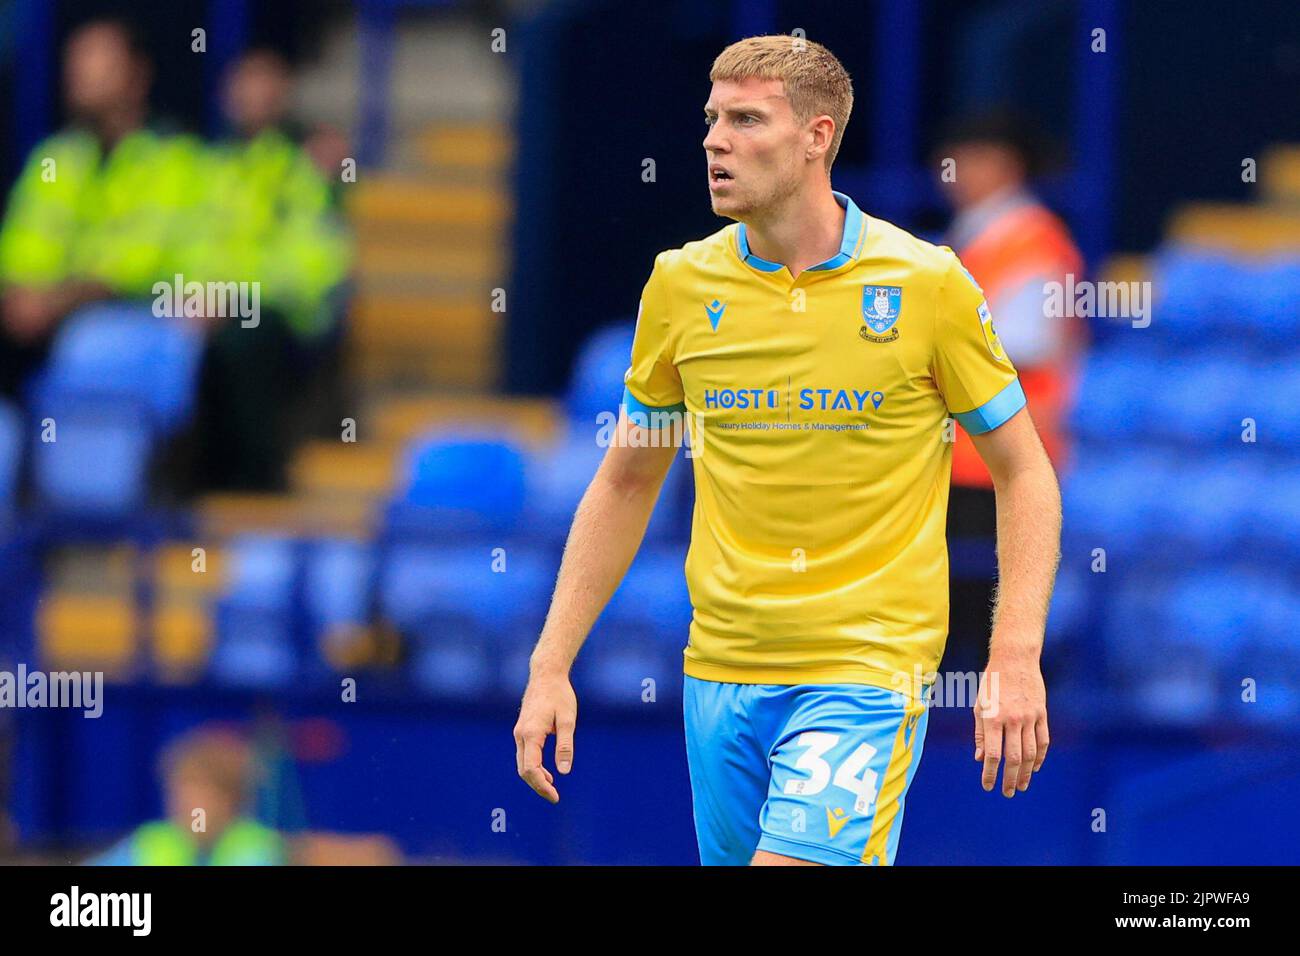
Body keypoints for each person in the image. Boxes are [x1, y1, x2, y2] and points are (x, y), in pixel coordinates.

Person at [514, 35, 1061, 866]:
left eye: (745, 119)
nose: (713, 140)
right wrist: (551, 662)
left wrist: (1014, 656)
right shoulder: (681, 286)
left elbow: (1025, 471)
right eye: (710, 119)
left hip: (865, 668)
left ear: (817, 137)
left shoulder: (927, 285)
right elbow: (627, 480)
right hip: (721, 671)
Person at [935, 113, 1084, 675]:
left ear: (1006, 165)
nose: (955, 173)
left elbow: (1027, 340)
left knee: (986, 615)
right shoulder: (968, 236)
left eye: (974, 158)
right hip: (955, 458)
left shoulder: (1034, 239)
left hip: (1003, 459)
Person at [0, 18, 204, 400]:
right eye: (75, 63)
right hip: (39, 323)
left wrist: (53, 302)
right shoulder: (54, 157)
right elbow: (21, 252)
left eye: (99, 63)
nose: (82, 75)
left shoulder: (174, 158)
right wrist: (22, 297)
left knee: (92, 344)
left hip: (127, 317)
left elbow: (138, 268)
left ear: (137, 75)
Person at [180, 48, 352, 494]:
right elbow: (187, 244)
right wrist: (189, 297)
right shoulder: (208, 166)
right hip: (205, 310)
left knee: (243, 339)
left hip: (284, 315)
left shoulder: (311, 165)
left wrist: (232, 297)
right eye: (244, 85)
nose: (253, 97)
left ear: (284, 93)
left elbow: (314, 264)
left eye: (265, 85)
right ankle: (179, 490)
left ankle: (256, 483)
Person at [90, 726, 285, 865]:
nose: (187, 805)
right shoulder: (151, 843)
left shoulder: (259, 849)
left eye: (201, 794)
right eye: (179, 793)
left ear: (231, 800)